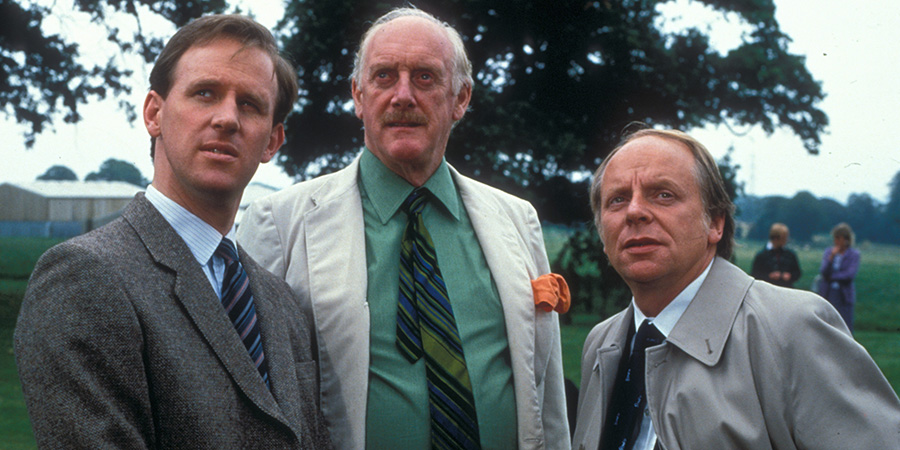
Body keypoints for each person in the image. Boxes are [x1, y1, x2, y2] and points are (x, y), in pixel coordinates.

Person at [237, 7, 569, 450]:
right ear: (358, 95)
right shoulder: (278, 222)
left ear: (461, 98)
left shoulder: (516, 219)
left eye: (426, 77)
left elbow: (547, 396)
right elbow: (248, 400)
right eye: (384, 76)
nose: (403, 96)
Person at [15, 15, 332, 449]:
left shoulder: (281, 302)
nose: (227, 118)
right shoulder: (85, 278)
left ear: (272, 142)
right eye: (205, 93)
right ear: (154, 113)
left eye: (250, 104)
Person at [571, 128, 900, 449]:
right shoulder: (601, 343)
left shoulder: (791, 328)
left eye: (663, 194)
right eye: (617, 200)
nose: (635, 211)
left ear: (715, 223)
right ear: (602, 232)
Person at [818, 222, 861, 332]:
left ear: (846, 239)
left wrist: (832, 277)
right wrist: (831, 258)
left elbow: (849, 274)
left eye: (838, 238)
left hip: (843, 295)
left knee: (845, 325)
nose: (836, 241)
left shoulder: (854, 254)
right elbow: (823, 271)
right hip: (828, 292)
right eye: (835, 238)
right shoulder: (829, 252)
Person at [750, 222, 802, 287]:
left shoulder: (790, 255)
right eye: (784, 238)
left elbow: (797, 273)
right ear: (776, 238)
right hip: (767, 289)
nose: (787, 240)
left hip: (786, 289)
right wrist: (769, 276)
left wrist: (790, 276)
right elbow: (755, 275)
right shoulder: (761, 256)